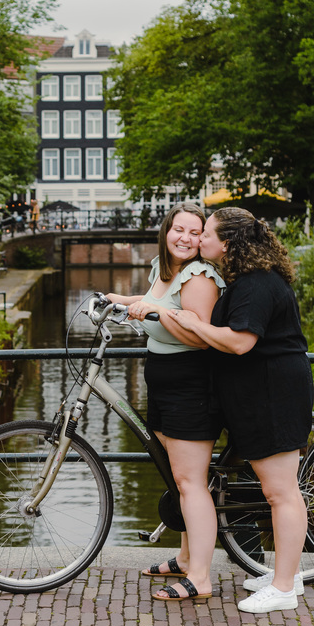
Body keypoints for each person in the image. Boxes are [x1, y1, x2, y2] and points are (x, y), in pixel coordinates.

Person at [170, 206, 312, 614]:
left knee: (281, 492)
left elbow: (239, 342)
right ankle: (287, 574)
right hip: (261, 393)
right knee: (277, 491)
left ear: (227, 244)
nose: (200, 240)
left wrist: (191, 323)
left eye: (207, 234)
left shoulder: (255, 285)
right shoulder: (249, 281)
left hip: (273, 395)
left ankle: (284, 587)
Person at [104, 202, 223, 602]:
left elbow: (200, 334)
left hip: (192, 385)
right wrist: (119, 299)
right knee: (179, 479)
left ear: (203, 238)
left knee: (191, 483)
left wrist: (154, 310)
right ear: (166, 231)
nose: (186, 239)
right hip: (163, 382)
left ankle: (201, 578)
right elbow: (157, 299)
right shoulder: (164, 267)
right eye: (179, 230)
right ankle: (187, 557)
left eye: (195, 232)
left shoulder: (200, 276)